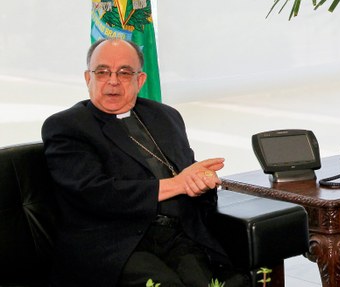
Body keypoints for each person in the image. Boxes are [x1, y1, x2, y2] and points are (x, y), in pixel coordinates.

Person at [42, 38, 247, 287]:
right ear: (88, 78)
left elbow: (186, 177)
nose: (113, 81)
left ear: (140, 80)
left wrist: (200, 183)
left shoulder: (165, 116)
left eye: (125, 73)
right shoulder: (68, 126)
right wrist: (179, 184)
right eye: (102, 72)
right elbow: (95, 193)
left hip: (178, 235)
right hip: (115, 244)